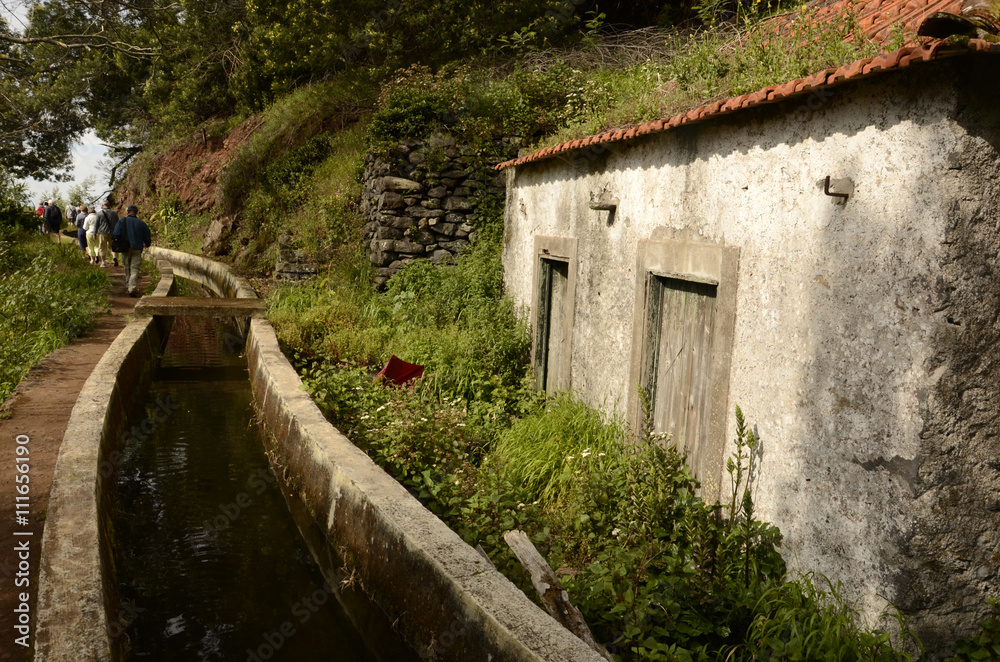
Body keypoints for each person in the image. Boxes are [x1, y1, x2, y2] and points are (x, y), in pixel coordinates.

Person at [112, 204, 151, 297]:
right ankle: (132, 288)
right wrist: (147, 244)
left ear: (127, 212)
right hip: (137, 248)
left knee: (127, 267)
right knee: (135, 268)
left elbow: (115, 234)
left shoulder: (122, 221)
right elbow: (147, 237)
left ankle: (128, 284)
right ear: (136, 212)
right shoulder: (141, 223)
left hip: (125, 248)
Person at [94, 200, 118, 268]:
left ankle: (103, 262)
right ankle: (114, 256)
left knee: (102, 247)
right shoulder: (114, 213)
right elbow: (117, 223)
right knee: (112, 246)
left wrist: (94, 233)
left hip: (102, 232)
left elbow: (96, 224)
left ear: (102, 206)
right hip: (112, 233)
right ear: (109, 206)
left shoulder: (99, 213)